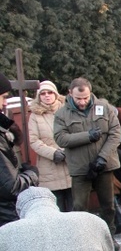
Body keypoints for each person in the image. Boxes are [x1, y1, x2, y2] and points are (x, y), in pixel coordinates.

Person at [53, 77, 121, 250]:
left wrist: (102, 158)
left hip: (104, 164)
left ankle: (109, 237)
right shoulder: (62, 114)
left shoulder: (104, 107)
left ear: (90, 93)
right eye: (78, 99)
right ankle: (82, 241)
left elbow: (115, 133)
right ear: (70, 94)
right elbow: (60, 138)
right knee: (80, 206)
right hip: (80, 167)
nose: (83, 102)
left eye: (85, 98)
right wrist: (87, 136)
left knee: (108, 205)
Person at [0, 71, 39, 251]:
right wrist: (30, 174)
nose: (3, 103)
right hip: (6, 216)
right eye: (2, 98)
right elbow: (9, 186)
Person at [28, 80, 72, 212]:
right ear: (39, 96)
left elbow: (75, 132)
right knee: (57, 209)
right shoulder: (35, 116)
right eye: (43, 93)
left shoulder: (67, 111)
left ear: (56, 94)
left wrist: (66, 150)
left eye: (50, 92)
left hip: (70, 164)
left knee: (75, 209)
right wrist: (53, 153)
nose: (47, 96)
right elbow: (34, 141)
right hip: (49, 168)